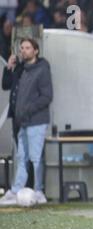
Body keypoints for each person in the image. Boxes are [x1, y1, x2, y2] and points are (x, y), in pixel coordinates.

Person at [0, 38, 53, 206]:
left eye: (28, 48)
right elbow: (6, 85)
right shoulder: (22, 68)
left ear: (36, 50)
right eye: (22, 48)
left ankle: (39, 191)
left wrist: (28, 109)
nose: (24, 51)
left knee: (36, 158)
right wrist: (9, 67)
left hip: (36, 120)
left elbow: (47, 96)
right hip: (21, 120)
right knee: (22, 157)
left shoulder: (42, 69)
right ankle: (16, 190)